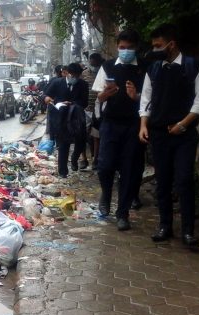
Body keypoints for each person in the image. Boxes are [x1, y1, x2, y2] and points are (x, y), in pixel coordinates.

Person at [139, 24, 199, 248]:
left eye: (158, 46)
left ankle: (188, 231)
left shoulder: (193, 66)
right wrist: (143, 125)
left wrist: (182, 124)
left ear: (172, 44)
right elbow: (146, 99)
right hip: (160, 134)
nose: (155, 50)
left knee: (184, 180)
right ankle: (165, 225)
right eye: (153, 46)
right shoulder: (154, 69)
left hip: (184, 135)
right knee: (163, 181)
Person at [91, 29, 146, 231]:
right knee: (105, 166)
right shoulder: (107, 67)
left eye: (130, 48)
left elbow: (150, 100)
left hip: (134, 125)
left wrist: (136, 97)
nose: (125, 52)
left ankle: (122, 213)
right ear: (117, 47)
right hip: (111, 123)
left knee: (129, 170)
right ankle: (106, 193)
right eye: (122, 48)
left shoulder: (144, 69)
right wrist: (105, 95)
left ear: (136, 48)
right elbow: (98, 98)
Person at [44, 62, 89, 178]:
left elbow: (85, 102)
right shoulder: (57, 83)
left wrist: (72, 104)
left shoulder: (83, 85)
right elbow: (45, 95)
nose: (74, 78)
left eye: (77, 76)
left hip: (76, 119)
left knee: (80, 142)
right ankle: (62, 171)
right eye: (72, 75)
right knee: (63, 145)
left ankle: (74, 159)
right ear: (66, 73)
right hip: (61, 118)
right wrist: (49, 99)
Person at [81, 53, 105, 170]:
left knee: (96, 135)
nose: (93, 65)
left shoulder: (103, 73)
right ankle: (84, 159)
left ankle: (95, 159)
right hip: (85, 109)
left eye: (96, 63)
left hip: (98, 109)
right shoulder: (84, 74)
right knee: (82, 135)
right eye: (92, 63)